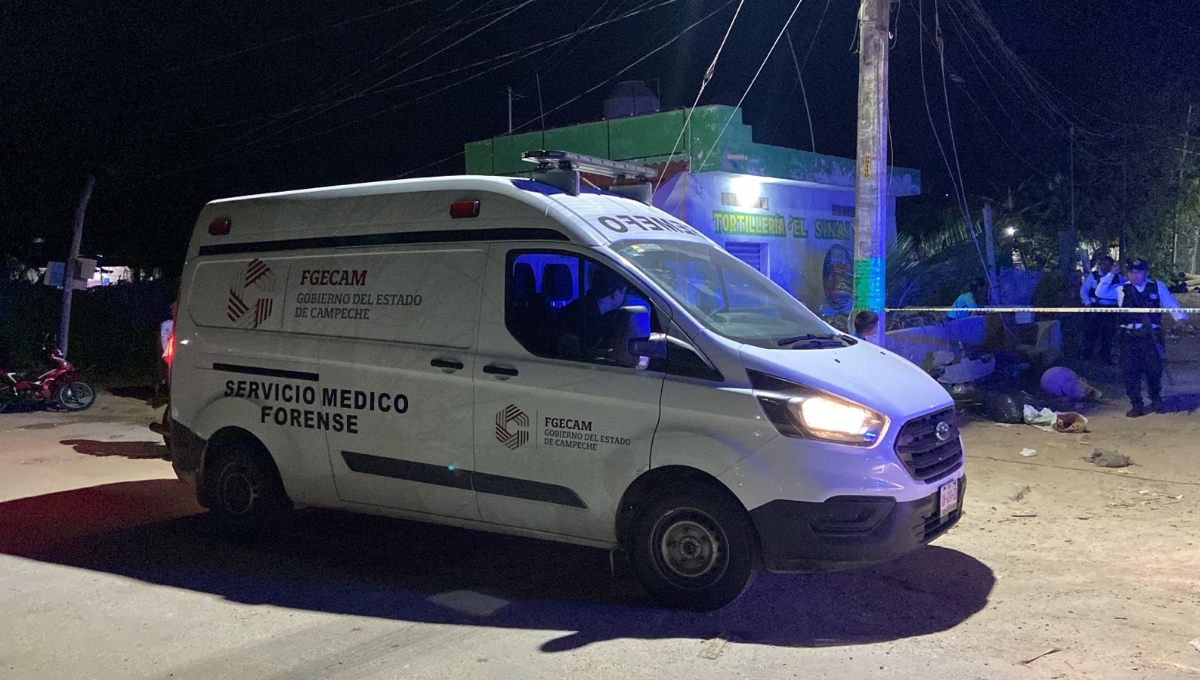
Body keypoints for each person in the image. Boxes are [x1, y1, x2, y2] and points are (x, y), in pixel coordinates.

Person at [1096, 258, 1188, 417]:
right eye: (1131, 272)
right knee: (1130, 372)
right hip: (1129, 337)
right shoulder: (1122, 288)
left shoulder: (1157, 286)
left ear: (1146, 273)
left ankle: (1155, 398)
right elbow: (1100, 292)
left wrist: (1180, 318)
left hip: (1150, 336)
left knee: (1153, 370)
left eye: (1138, 272)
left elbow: (1171, 304)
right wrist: (1111, 275)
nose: (1135, 275)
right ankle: (1136, 404)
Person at [554, 268, 627, 360]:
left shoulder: (587, 307)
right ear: (616, 294)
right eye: (624, 292)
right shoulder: (582, 316)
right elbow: (585, 352)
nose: (625, 297)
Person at [1079, 255, 1124, 364]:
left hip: (1111, 310)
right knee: (1091, 332)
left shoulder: (1119, 278)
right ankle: (1087, 355)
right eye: (1104, 264)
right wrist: (1087, 303)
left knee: (1108, 333)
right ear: (1100, 265)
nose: (1106, 267)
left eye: (1109, 265)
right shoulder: (1093, 276)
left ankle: (1105, 357)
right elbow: (1083, 290)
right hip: (1095, 308)